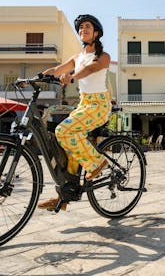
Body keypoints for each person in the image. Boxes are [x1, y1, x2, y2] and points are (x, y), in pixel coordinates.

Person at [37, 14, 112, 211]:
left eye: (87, 27)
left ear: (96, 32)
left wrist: (71, 76)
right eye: (80, 28)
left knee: (64, 131)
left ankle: (97, 163)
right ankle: (64, 197)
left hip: (99, 105)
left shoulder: (103, 57)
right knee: (67, 147)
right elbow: (56, 68)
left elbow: (87, 70)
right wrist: (36, 77)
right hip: (84, 104)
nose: (83, 30)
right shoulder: (77, 57)